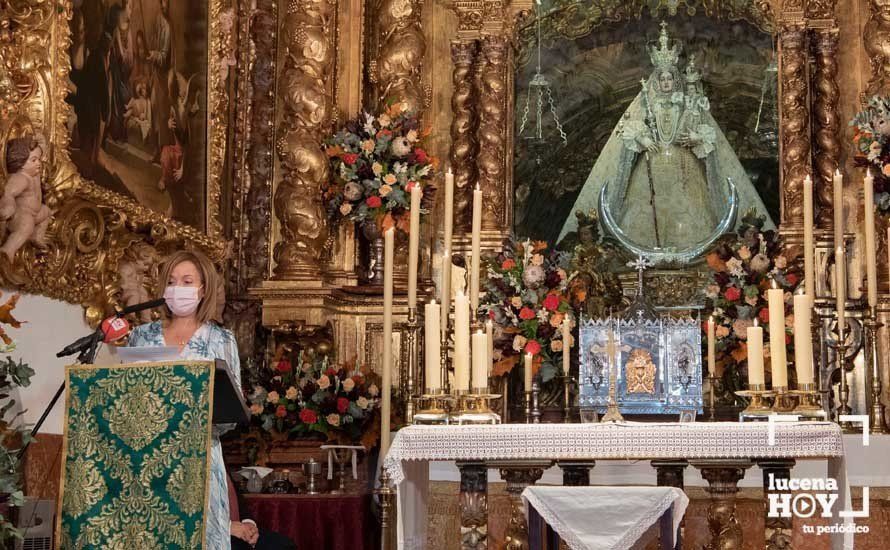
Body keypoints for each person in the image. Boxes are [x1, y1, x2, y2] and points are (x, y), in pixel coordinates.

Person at [559, 21, 773, 255]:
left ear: (676, 80)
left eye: (670, 79)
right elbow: (631, 127)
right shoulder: (647, 103)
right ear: (657, 81)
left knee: (691, 211)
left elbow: (706, 134)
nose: (666, 83)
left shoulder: (688, 103)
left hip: (684, 167)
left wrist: (695, 137)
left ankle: (692, 259)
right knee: (647, 212)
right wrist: (643, 139)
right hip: (653, 161)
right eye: (662, 79)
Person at [127, 250, 249, 549]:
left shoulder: (221, 340)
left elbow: (232, 412)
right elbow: (125, 398)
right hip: (147, 463)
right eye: (171, 281)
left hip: (199, 461)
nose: (177, 288)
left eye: (186, 280)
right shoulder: (141, 338)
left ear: (203, 288)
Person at [1, 136, 51, 259]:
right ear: (20, 162)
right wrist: (9, 206)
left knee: (46, 212)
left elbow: (42, 150)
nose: (38, 163)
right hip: (20, 215)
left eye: (38, 159)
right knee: (26, 225)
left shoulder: (34, 174)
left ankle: (37, 237)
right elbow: (8, 193)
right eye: (33, 160)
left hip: (35, 213)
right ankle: (8, 250)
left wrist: (41, 141)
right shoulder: (21, 178)